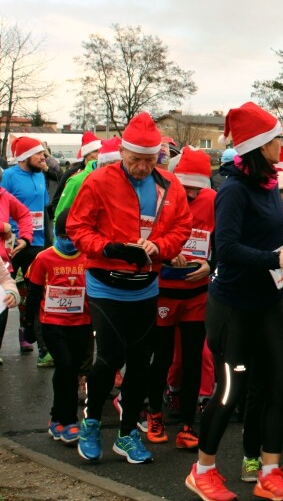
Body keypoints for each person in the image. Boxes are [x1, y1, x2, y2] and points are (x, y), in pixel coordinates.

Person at [183, 102, 283, 501]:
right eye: (275, 138)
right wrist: (278, 257)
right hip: (233, 306)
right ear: (259, 145)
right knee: (230, 391)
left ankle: (268, 470)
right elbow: (227, 249)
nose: (281, 143)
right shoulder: (234, 190)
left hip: (269, 300)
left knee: (277, 388)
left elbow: (266, 237)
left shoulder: (271, 184)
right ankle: (202, 469)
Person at [67, 112, 193, 465]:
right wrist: (108, 247)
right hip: (106, 284)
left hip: (146, 285)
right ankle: (91, 424)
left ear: (159, 157)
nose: (141, 167)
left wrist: (161, 248)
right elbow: (76, 227)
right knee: (107, 359)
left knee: (141, 363)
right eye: (135, 159)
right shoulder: (98, 181)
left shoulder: (170, 185)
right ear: (122, 153)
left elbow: (182, 227)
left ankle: (125, 435)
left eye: (148, 160)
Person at [146, 147, 216, 451]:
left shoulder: (213, 201)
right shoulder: (161, 196)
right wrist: (167, 250)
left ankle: (187, 424)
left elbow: (223, 239)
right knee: (160, 357)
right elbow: (143, 237)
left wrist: (211, 264)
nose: (190, 193)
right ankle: (155, 415)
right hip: (163, 290)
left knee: (192, 358)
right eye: (186, 185)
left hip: (197, 292)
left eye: (196, 188)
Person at [22, 211, 88, 445]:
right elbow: (33, 294)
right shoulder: (44, 258)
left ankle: (56, 417)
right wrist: (28, 326)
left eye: (72, 236)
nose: (68, 240)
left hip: (81, 323)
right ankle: (69, 420)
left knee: (71, 370)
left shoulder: (88, 256)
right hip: (53, 323)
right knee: (66, 365)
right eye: (62, 235)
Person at [2, 136, 52, 360]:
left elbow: (42, 208)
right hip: (10, 243)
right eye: (38, 154)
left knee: (36, 292)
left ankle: (37, 341)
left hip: (35, 241)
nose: (43, 157)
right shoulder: (9, 176)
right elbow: (5, 206)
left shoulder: (41, 175)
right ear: (24, 156)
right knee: (9, 290)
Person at [0, 180, 34, 359]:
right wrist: (2, 226)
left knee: (3, 305)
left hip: (3, 263)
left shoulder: (3, 195)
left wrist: (26, 237)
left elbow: (24, 214)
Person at [49, 131, 102, 218]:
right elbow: (57, 200)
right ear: (86, 154)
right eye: (95, 151)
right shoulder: (71, 173)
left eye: (100, 151)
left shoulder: (103, 171)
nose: (98, 154)